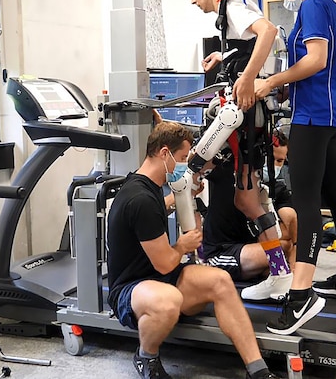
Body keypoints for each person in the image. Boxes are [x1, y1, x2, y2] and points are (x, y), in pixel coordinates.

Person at [253, 0, 336, 336]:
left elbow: (316, 60)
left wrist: (271, 81)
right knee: (335, 193)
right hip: (329, 115)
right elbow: (323, 65)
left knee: (305, 203)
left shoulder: (313, 6)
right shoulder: (332, 7)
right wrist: (291, 87)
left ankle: (301, 294)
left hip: (314, 117)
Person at [106, 121, 278, 379]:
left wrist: (176, 200)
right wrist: (183, 245)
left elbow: (154, 214)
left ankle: (258, 370)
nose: (186, 164)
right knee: (168, 302)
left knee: (220, 280)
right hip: (132, 288)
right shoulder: (139, 199)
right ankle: (146, 357)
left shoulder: (147, 186)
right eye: (183, 158)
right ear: (164, 153)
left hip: (159, 276)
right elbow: (165, 263)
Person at [184, 0, 294, 298]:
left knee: (195, 169)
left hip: (242, 115)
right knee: (248, 199)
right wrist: (226, 56)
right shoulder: (226, 11)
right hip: (250, 119)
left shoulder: (229, 4)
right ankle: (280, 272)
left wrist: (246, 79)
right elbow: (249, 45)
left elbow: (268, 31)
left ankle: (279, 274)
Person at [203, 128, 298, 301]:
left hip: (246, 248)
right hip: (221, 252)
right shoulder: (226, 169)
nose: (277, 165)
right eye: (274, 159)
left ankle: (281, 274)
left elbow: (288, 228)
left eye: (281, 161)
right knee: (279, 251)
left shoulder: (272, 185)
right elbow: (195, 164)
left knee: (283, 247)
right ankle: (280, 272)